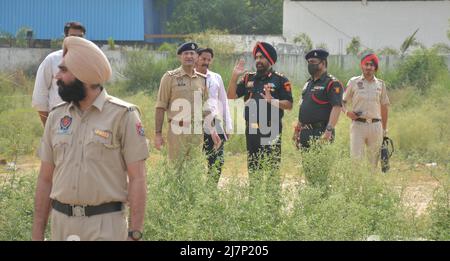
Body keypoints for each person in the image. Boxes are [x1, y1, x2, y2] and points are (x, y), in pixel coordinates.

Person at [32, 37, 149, 241]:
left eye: (63, 70)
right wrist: (37, 232)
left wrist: (135, 233)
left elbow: (138, 178)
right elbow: (45, 179)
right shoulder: (56, 116)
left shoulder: (123, 115)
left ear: (83, 75)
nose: (57, 76)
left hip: (106, 226)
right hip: (61, 225)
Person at [228, 42, 293, 174]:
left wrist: (273, 101)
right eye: (256, 57)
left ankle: (272, 195)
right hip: (252, 130)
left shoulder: (280, 79)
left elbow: (289, 104)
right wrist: (234, 77)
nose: (258, 60)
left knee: (272, 170)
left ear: (269, 59)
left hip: (271, 129)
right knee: (253, 170)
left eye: (262, 57)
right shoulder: (248, 78)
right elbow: (231, 96)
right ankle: (254, 195)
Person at [154, 42, 220, 162]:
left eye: (192, 53)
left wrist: (213, 131)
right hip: (177, 131)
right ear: (180, 57)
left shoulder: (201, 80)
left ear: (196, 57)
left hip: (196, 132)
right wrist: (158, 134)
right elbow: (160, 107)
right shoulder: (170, 78)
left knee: (194, 168)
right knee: (175, 168)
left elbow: (206, 109)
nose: (189, 56)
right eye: (185, 53)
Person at [32, 21, 86, 126]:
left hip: (85, 121)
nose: (77, 40)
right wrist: (48, 126)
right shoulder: (52, 60)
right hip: (59, 120)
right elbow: (40, 95)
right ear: (65, 38)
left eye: (80, 37)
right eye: (73, 36)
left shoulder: (89, 61)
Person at [343, 52, 390, 168]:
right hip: (358, 125)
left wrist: (384, 129)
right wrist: (347, 113)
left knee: (373, 162)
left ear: (375, 68)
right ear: (362, 66)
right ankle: (355, 186)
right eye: (366, 64)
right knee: (356, 161)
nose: (368, 67)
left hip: (376, 126)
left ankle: (370, 185)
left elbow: (384, 107)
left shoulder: (381, 85)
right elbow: (342, 101)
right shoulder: (354, 82)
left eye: (372, 65)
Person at [293, 49, 343, 150]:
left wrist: (328, 132)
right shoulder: (308, 83)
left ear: (323, 63)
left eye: (313, 62)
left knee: (320, 165)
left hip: (321, 132)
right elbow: (303, 107)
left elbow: (337, 108)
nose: (310, 65)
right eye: (309, 62)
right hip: (305, 132)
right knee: (307, 165)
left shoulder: (332, 83)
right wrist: (297, 130)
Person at [195, 47, 232, 182]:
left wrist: (228, 125)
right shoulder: (190, 77)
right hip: (196, 123)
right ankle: (195, 191)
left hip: (215, 122)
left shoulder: (216, 77)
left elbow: (224, 101)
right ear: (197, 58)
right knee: (196, 158)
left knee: (218, 159)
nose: (206, 62)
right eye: (203, 59)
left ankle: (210, 190)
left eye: (208, 60)